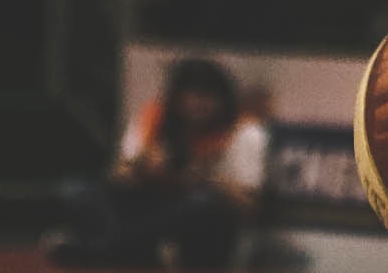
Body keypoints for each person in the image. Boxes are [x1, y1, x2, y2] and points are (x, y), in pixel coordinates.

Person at [51, 56, 267, 269]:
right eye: (190, 95)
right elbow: (119, 175)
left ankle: (107, 246)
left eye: (208, 96)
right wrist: (142, 168)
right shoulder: (155, 119)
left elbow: (249, 205)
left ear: (224, 99)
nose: (198, 103)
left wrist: (203, 178)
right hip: (152, 201)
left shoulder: (243, 131)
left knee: (204, 205)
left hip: (199, 213)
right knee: (74, 191)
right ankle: (121, 244)